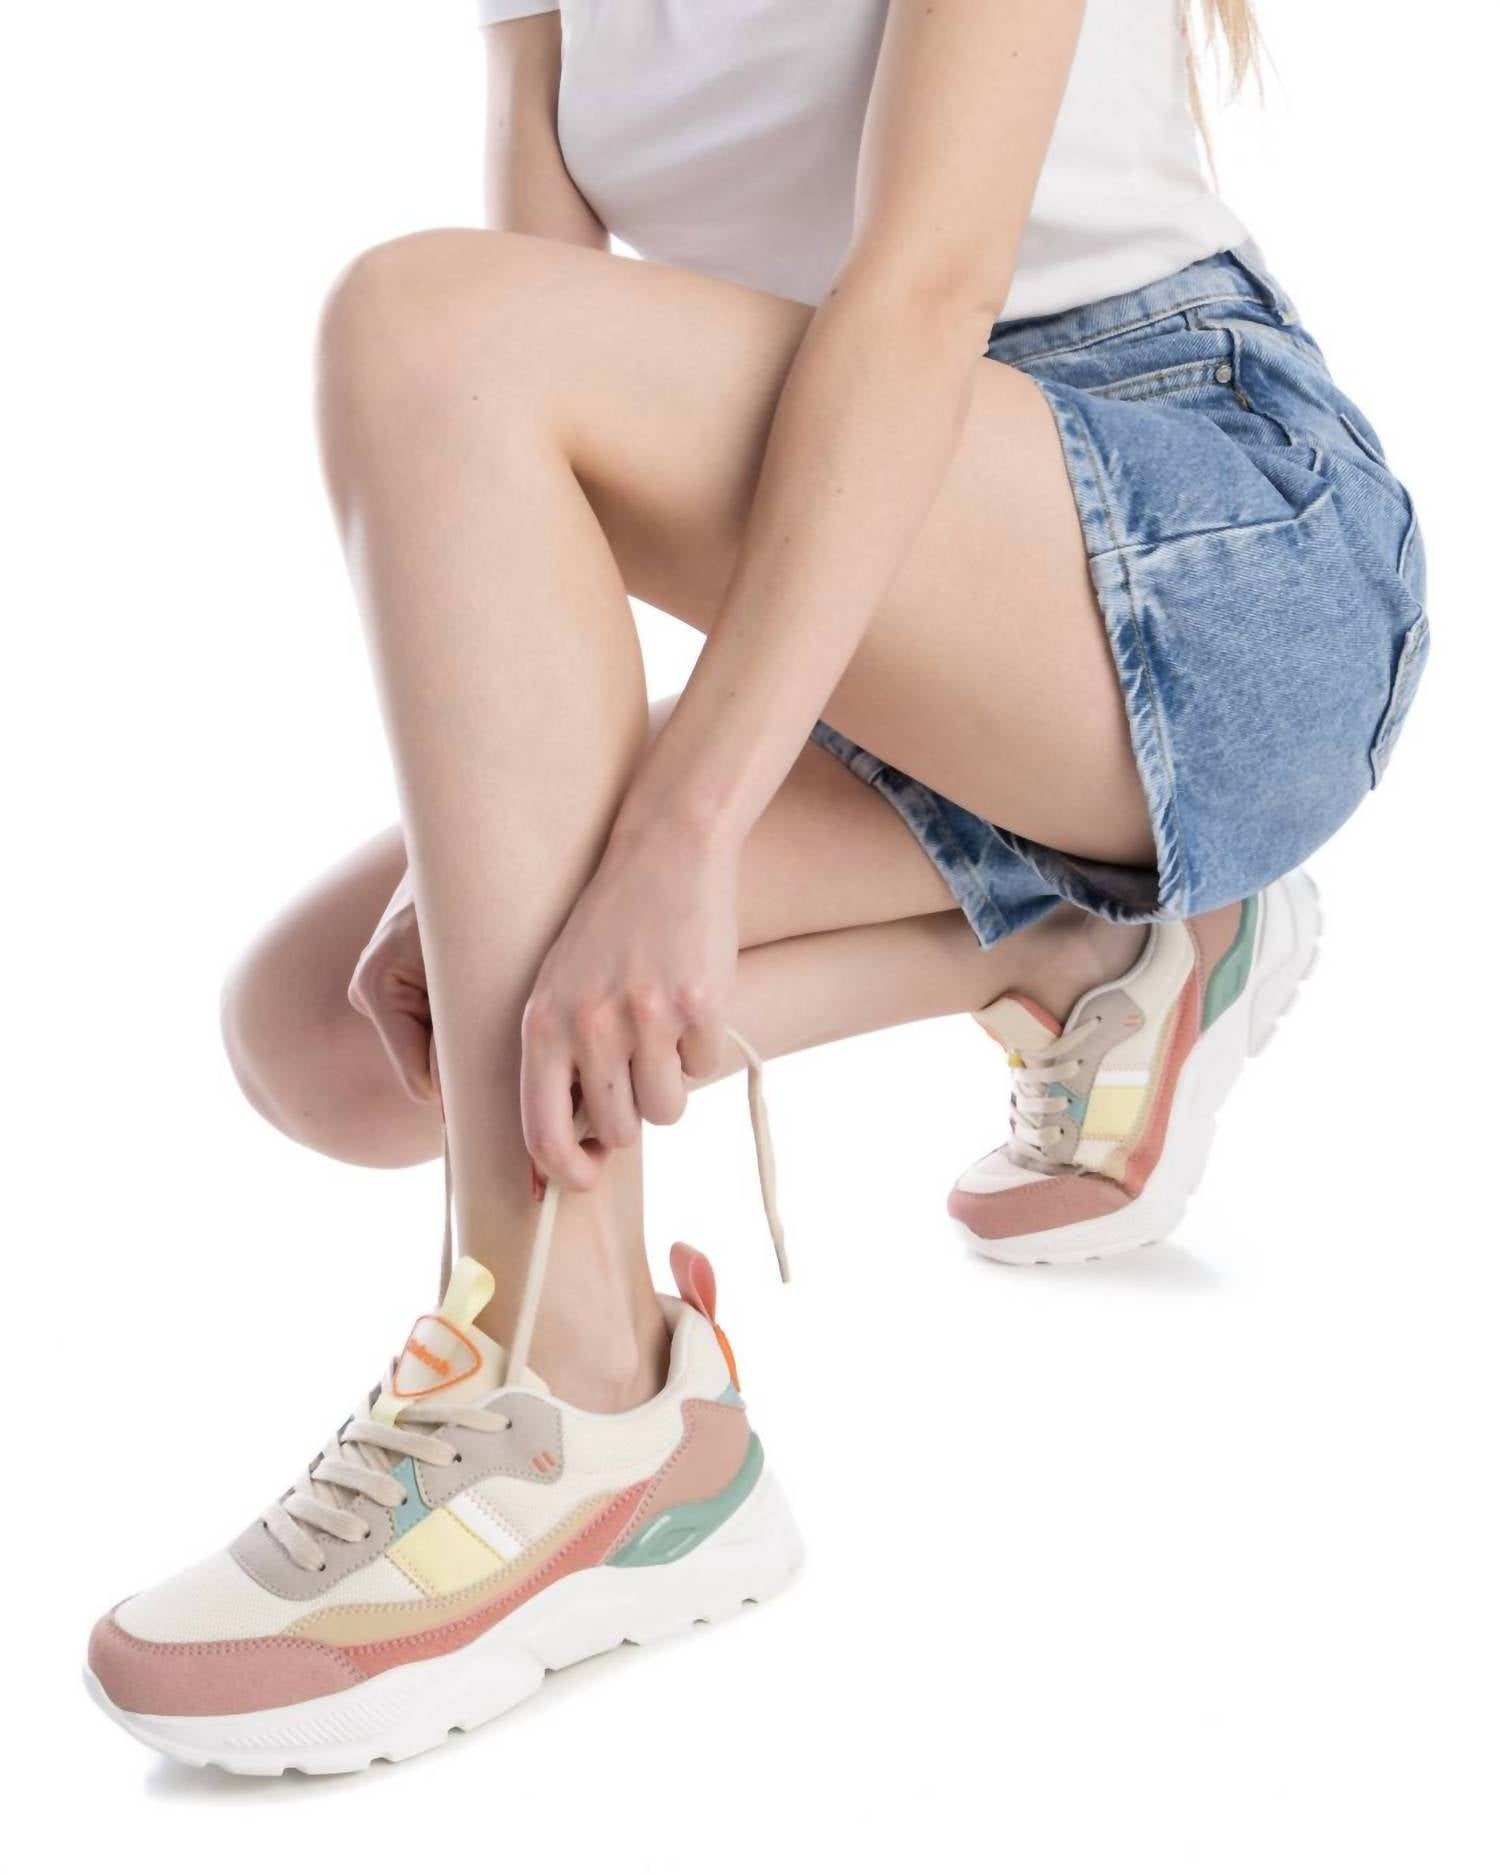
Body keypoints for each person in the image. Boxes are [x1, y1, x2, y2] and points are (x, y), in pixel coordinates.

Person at [85, 0, 1426, 1774]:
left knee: (418, 319)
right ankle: (1098, 934)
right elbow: (544, 454)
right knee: (329, 1042)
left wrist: (678, 835)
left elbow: (921, 292)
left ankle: (582, 1398)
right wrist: (522, 873)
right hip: (865, 601)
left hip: (1209, 549)